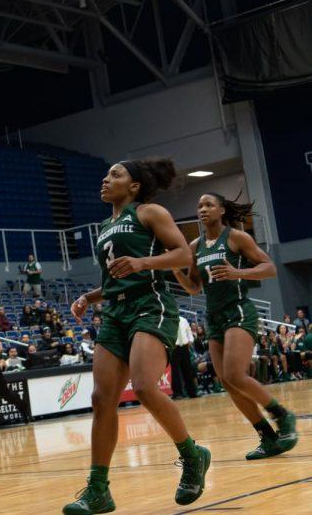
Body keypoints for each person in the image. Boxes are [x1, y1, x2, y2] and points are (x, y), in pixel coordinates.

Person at [64, 158, 209, 515]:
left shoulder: (149, 212)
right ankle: (98, 489)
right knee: (101, 399)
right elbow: (117, 275)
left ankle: (192, 456)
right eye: (107, 173)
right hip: (115, 311)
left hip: (151, 304)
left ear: (133, 186)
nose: (105, 178)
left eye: (115, 174)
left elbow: (182, 253)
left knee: (145, 387)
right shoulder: (103, 226)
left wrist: (143, 263)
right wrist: (89, 296)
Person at [172, 193, 296, 459]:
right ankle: (268, 437)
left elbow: (270, 268)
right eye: (199, 205)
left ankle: (283, 416)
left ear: (222, 210)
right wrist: (176, 272)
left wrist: (238, 272)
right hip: (214, 316)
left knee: (235, 374)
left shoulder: (237, 238)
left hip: (239, 310)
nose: (202, 209)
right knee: (228, 383)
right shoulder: (195, 246)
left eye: (209, 205)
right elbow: (194, 287)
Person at [170, 316, 197, 400]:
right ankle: (177, 393)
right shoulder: (168, 319)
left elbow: (189, 332)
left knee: (188, 370)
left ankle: (192, 393)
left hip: (185, 347)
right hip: (174, 347)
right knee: (175, 372)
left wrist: (190, 341)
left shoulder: (184, 320)